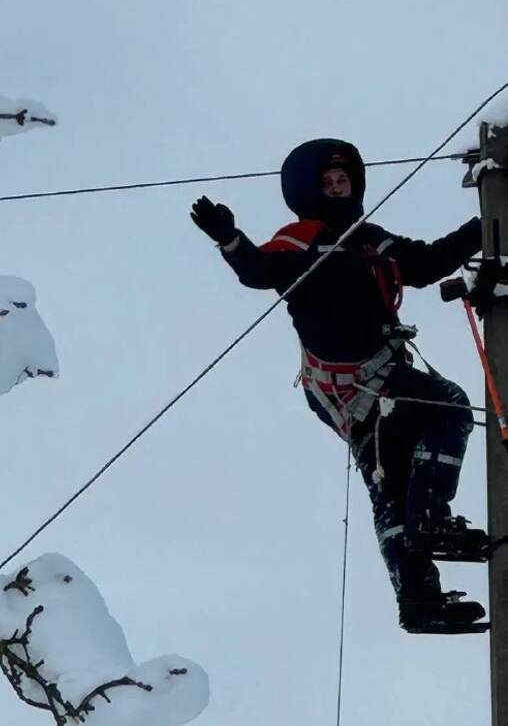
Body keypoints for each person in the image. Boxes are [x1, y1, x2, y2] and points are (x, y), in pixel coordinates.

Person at [191, 137, 488, 634]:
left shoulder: (371, 237)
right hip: (349, 378)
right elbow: (261, 272)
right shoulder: (301, 237)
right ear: (308, 191)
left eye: (343, 180)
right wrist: (231, 240)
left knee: (390, 481)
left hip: (366, 375)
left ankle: (419, 599)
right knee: (449, 406)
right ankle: (431, 519)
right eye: (326, 183)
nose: (336, 188)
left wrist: (487, 226)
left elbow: (431, 261)